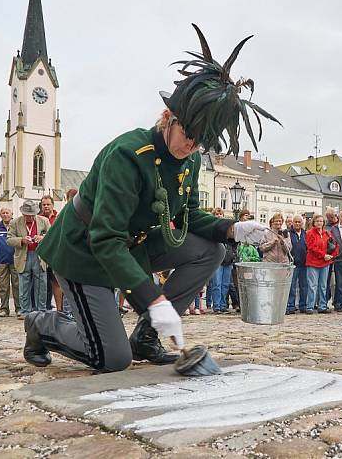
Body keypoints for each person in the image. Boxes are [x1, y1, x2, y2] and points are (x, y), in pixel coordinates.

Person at [26, 25, 276, 372]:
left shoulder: (188, 160)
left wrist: (233, 230)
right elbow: (106, 239)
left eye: (201, 142)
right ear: (166, 118)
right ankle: (43, 324)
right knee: (111, 359)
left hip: (131, 248)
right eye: (189, 135)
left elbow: (188, 217)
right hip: (85, 251)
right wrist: (154, 301)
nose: (192, 147)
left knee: (210, 249)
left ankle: (145, 336)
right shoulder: (128, 155)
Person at [7, 200, 51, 318]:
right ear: (23, 213)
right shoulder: (14, 223)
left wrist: (42, 237)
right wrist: (21, 240)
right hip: (23, 256)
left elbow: (52, 235)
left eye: (32, 215)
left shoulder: (44, 221)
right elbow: (9, 239)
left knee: (41, 284)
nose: (30, 217)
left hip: (39, 256)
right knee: (24, 285)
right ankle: (25, 311)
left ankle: (40, 310)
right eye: (27, 215)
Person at [0, 208, 19, 317]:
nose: (5, 215)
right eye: (3, 213)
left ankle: (18, 308)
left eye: (7, 213)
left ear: (12, 214)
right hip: (1, 261)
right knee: (3, 286)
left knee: (17, 285)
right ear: (0, 214)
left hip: (16, 260)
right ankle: (4, 309)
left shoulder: (17, 225)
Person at [209, 208, 237, 314]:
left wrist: (233, 253)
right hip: (217, 261)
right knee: (217, 283)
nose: (219, 215)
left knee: (225, 284)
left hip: (228, 260)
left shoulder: (228, 228)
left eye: (220, 213)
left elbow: (234, 242)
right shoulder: (212, 228)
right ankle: (216, 305)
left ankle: (223, 305)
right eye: (217, 214)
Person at [40, 195, 64, 312]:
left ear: (52, 205)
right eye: (44, 204)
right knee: (44, 283)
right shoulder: (37, 218)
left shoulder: (59, 217)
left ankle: (60, 308)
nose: (46, 207)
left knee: (56, 282)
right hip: (42, 255)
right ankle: (46, 306)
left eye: (48, 204)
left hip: (56, 254)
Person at [306, 214, 334, 314]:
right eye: (317, 221)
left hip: (325, 262)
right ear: (314, 222)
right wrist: (323, 255)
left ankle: (322, 305)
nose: (319, 223)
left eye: (321, 221)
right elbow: (311, 247)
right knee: (312, 286)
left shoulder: (327, 233)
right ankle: (310, 306)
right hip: (313, 262)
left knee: (323, 285)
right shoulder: (310, 233)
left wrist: (332, 255)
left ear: (323, 223)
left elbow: (333, 245)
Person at [286, 214, 308, 314]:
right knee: (292, 286)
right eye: (296, 222)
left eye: (299, 222)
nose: (297, 224)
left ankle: (303, 305)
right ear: (293, 223)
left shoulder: (305, 234)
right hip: (293, 263)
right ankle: (291, 306)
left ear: (302, 223)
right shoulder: (288, 233)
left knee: (304, 286)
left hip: (304, 263)